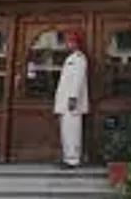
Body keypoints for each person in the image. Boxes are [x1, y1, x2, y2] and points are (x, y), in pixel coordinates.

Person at [54, 31, 89, 168]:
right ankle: (67, 157)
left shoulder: (79, 58)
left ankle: (73, 159)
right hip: (65, 102)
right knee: (66, 131)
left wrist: (73, 98)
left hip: (72, 102)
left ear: (76, 43)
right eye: (68, 41)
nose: (68, 44)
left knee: (72, 132)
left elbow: (78, 80)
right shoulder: (70, 58)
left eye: (71, 41)